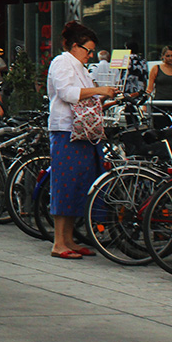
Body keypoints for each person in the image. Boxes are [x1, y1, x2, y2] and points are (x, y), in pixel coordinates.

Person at [47, 20, 118, 260]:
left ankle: (69, 239)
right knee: (65, 184)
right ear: (75, 46)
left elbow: (87, 99)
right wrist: (100, 91)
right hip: (66, 130)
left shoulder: (79, 67)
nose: (90, 55)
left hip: (82, 131)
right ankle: (58, 241)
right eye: (88, 50)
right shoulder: (62, 62)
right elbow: (67, 93)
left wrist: (107, 97)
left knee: (78, 186)